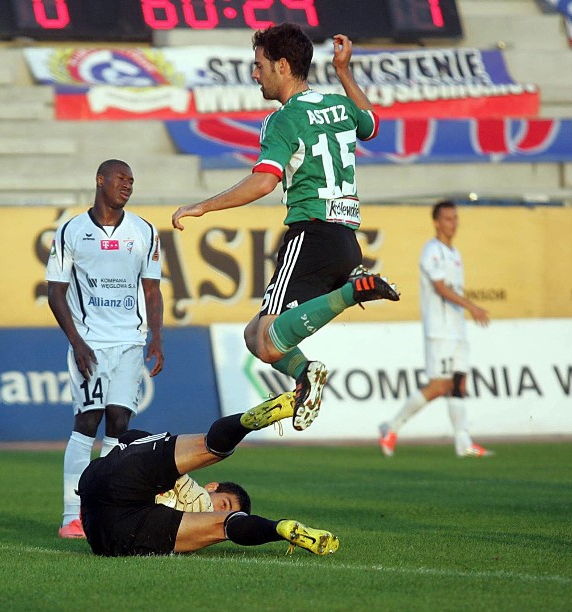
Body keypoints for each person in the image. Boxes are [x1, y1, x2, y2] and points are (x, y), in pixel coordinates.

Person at [172, 24, 399, 435]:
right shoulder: (337, 106)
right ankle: (307, 371)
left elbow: (264, 181)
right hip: (344, 239)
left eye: (258, 66)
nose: (255, 74)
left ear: (281, 65)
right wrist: (344, 72)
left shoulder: (282, 120)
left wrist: (202, 206)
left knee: (268, 342)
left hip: (310, 233)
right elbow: (370, 123)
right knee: (252, 336)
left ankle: (353, 291)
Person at [46, 159, 164, 539]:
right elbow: (56, 291)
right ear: (100, 181)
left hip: (130, 344)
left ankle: (103, 509)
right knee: (87, 422)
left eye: (132, 179)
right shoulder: (71, 231)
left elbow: (152, 289)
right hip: (90, 344)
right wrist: (77, 342)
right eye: (121, 178)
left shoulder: (144, 231)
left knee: (119, 423)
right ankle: (71, 515)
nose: (128, 185)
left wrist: (157, 339)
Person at [78, 391, 339, 557]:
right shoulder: (183, 481)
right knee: (208, 449)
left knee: (225, 525)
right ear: (212, 486)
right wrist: (169, 476)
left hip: (113, 534)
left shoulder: (193, 529)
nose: (218, 510)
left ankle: (280, 528)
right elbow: (130, 437)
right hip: (114, 483)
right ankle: (247, 422)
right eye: (223, 504)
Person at [378, 201, 492, 458]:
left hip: (457, 328)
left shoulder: (455, 252)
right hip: (439, 329)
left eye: (455, 218)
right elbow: (440, 287)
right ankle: (391, 426)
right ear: (437, 222)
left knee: (458, 383)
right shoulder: (432, 251)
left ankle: (463, 443)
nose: (453, 223)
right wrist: (473, 307)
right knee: (440, 385)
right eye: (448, 219)